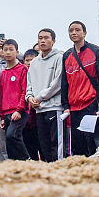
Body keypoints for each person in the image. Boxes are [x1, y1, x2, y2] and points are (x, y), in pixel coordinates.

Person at [62, 20, 99, 157]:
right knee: (78, 147)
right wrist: (66, 105)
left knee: (93, 144)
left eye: (77, 30)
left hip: (90, 104)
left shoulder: (95, 51)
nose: (74, 33)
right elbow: (64, 83)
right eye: (71, 30)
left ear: (84, 33)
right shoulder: (67, 56)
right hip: (74, 107)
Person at [27, 28, 65, 161]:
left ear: (53, 41)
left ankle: (59, 172)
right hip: (39, 110)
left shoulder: (59, 58)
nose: (43, 41)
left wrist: (39, 97)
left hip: (55, 108)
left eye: (46, 38)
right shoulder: (34, 63)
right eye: (40, 38)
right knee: (44, 146)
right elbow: (29, 85)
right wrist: (30, 98)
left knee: (57, 146)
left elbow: (57, 84)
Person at [0, 39, 30, 161]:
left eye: (11, 49)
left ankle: (27, 159)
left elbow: (24, 90)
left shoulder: (23, 69)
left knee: (13, 136)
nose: (8, 52)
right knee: (8, 143)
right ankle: (14, 167)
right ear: (2, 52)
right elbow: (2, 95)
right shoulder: (3, 72)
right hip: (6, 112)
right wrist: (2, 116)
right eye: (6, 50)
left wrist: (19, 110)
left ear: (17, 52)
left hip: (20, 111)